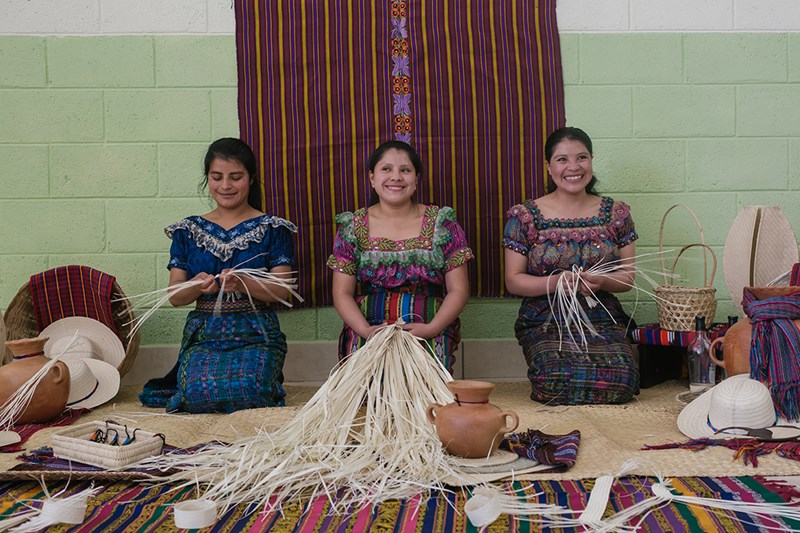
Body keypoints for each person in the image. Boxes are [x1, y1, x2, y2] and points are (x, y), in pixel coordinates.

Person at [139, 138, 297, 413]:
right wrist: (197, 286)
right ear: (207, 179)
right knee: (197, 393)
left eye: (235, 177)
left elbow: (282, 291)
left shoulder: (273, 228)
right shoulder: (187, 231)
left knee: (250, 390)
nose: (225, 186)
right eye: (217, 177)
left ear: (250, 179)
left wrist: (244, 283)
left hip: (255, 331)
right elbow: (175, 297)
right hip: (205, 334)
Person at [503, 127, 639, 405]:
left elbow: (627, 278)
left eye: (582, 157)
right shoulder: (526, 216)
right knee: (553, 379)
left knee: (624, 381)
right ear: (549, 167)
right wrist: (556, 283)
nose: (573, 167)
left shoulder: (616, 214)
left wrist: (602, 282)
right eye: (562, 159)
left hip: (601, 313)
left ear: (591, 161)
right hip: (545, 316)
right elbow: (513, 280)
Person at [327, 140, 473, 373]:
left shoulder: (442, 223)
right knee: (370, 392)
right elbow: (342, 292)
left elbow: (459, 289)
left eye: (405, 170)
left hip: (428, 325)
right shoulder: (352, 226)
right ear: (372, 178)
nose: (396, 177)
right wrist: (366, 331)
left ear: (416, 179)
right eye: (386, 169)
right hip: (370, 327)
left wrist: (432, 328)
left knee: (425, 394)